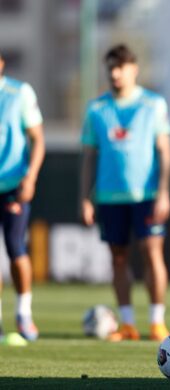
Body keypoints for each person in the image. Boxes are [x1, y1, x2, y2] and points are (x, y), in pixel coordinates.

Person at [80, 44, 170, 342]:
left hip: (146, 194)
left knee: (151, 252)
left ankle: (157, 321)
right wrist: (85, 197)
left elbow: (165, 153)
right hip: (109, 196)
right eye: (111, 69)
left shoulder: (153, 104)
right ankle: (128, 324)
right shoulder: (96, 109)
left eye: (121, 68)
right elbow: (89, 156)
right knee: (118, 258)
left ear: (133, 70)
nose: (115, 74)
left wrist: (163, 193)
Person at [0, 52, 45, 341]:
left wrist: (31, 177)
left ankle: (24, 313)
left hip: (14, 184)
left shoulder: (19, 92)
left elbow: (37, 138)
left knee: (16, 249)